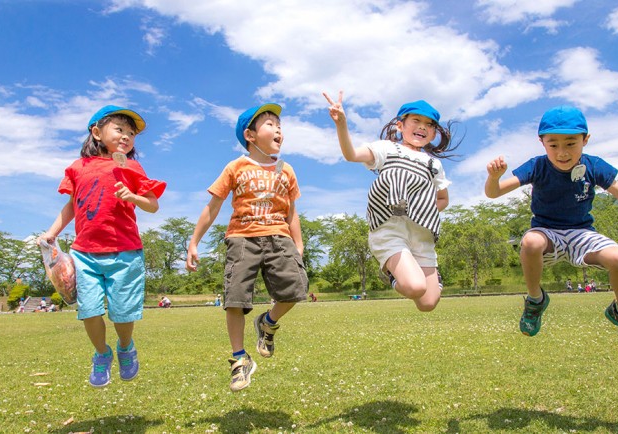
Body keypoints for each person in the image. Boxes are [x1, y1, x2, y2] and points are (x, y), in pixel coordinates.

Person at [484, 105, 618, 347]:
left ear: (585, 140)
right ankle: (536, 301)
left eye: (570, 144)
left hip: (582, 234)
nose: (562, 152)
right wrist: (494, 177)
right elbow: (494, 193)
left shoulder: (594, 166)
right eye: (553, 144)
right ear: (542, 143)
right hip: (547, 232)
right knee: (530, 241)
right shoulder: (537, 166)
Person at [39, 105, 166, 387]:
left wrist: (132, 196)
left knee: (122, 313)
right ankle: (101, 354)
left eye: (131, 133)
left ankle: (125, 346)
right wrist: (51, 233)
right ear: (96, 132)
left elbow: (153, 206)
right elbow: (71, 206)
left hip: (125, 252)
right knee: (89, 311)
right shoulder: (77, 168)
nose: (126, 136)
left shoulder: (130, 166)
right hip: (84, 253)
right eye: (119, 129)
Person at [186, 102, 307, 392]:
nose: (277, 128)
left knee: (295, 290)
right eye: (269, 123)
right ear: (250, 136)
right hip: (241, 237)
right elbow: (213, 206)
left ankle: (268, 322)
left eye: (279, 124)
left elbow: (291, 211)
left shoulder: (286, 170)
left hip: (279, 237)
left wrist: (299, 243)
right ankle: (240, 359)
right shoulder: (236, 167)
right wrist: (193, 242)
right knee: (235, 298)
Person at [323, 91, 458, 312]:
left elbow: (442, 199)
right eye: (416, 121)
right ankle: (392, 273)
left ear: (434, 132)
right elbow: (351, 154)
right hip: (389, 228)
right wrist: (341, 124)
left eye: (429, 124)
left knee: (427, 303)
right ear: (399, 125)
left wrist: (421, 210)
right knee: (414, 287)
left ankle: (415, 271)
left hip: (421, 233)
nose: (422, 127)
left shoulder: (433, 164)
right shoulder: (387, 148)